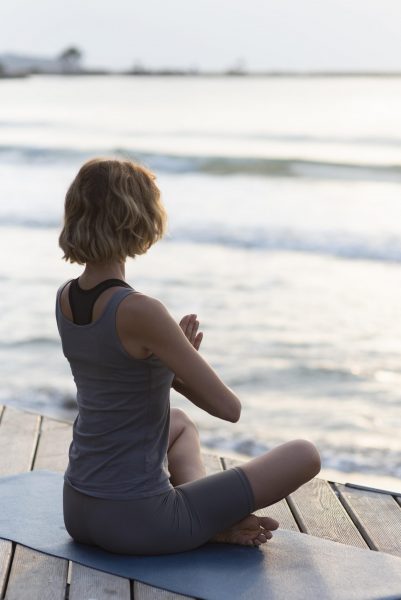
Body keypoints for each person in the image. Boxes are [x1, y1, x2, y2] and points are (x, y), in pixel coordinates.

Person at [57, 157, 321, 555]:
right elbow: (228, 408)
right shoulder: (141, 310)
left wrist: (163, 364)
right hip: (140, 522)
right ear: (137, 217)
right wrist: (172, 360)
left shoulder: (65, 297)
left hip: (78, 511)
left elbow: (119, 377)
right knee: (305, 453)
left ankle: (208, 519)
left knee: (178, 424)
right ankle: (207, 521)